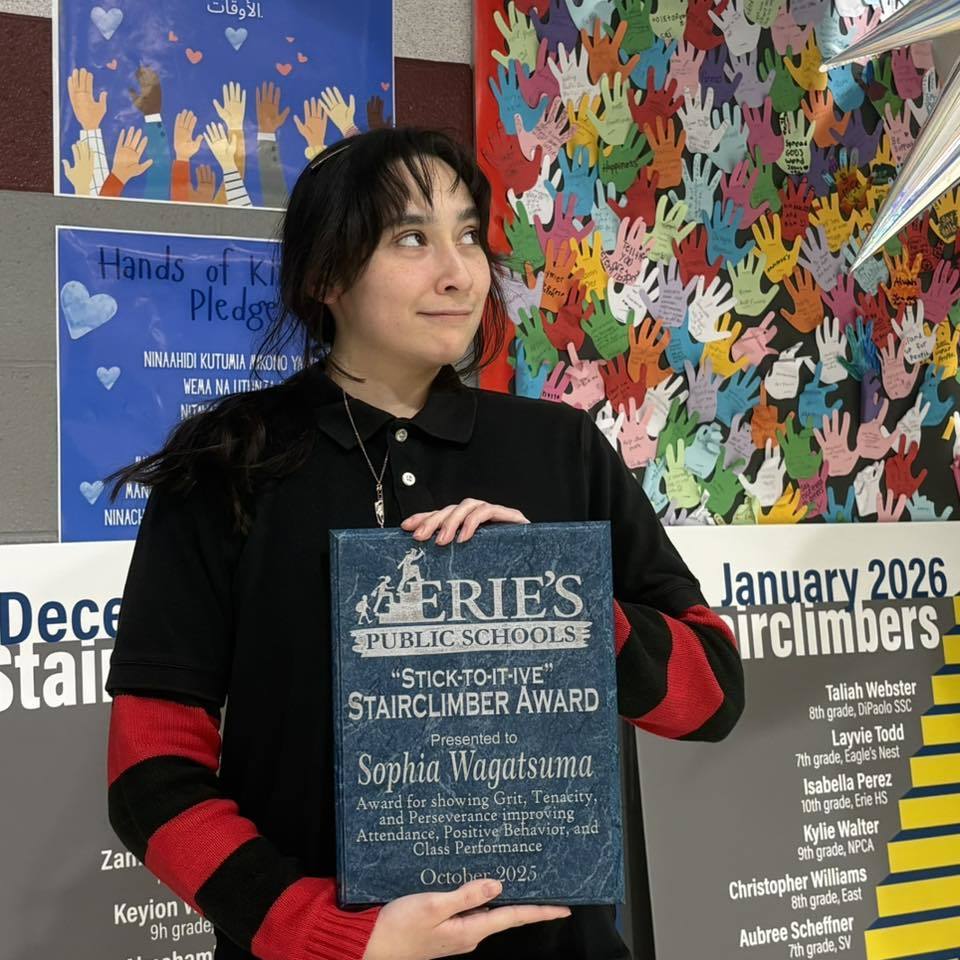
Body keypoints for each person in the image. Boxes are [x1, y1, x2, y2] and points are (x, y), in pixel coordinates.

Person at [105, 127, 744, 960]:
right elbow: (148, 773)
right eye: (412, 238)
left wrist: (567, 599)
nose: (458, 272)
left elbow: (714, 699)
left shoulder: (558, 448)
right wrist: (330, 934)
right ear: (326, 273)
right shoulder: (230, 460)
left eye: (469, 236)